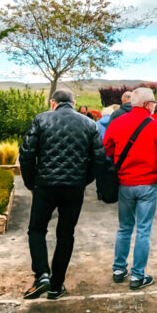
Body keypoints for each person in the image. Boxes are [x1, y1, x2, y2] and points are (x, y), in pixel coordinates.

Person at [18, 89, 105, 301]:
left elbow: (26, 154)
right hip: (74, 188)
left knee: (36, 230)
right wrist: (84, 180)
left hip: (45, 185)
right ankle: (56, 285)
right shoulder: (88, 124)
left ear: (52, 102)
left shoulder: (41, 120)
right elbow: (100, 158)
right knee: (65, 235)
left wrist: (31, 183)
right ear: (73, 103)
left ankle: (42, 275)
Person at [104, 87, 157, 290]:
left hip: (125, 183)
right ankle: (138, 275)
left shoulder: (116, 123)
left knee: (124, 228)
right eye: (154, 103)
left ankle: (118, 269)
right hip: (149, 184)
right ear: (148, 104)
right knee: (143, 230)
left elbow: (106, 149)